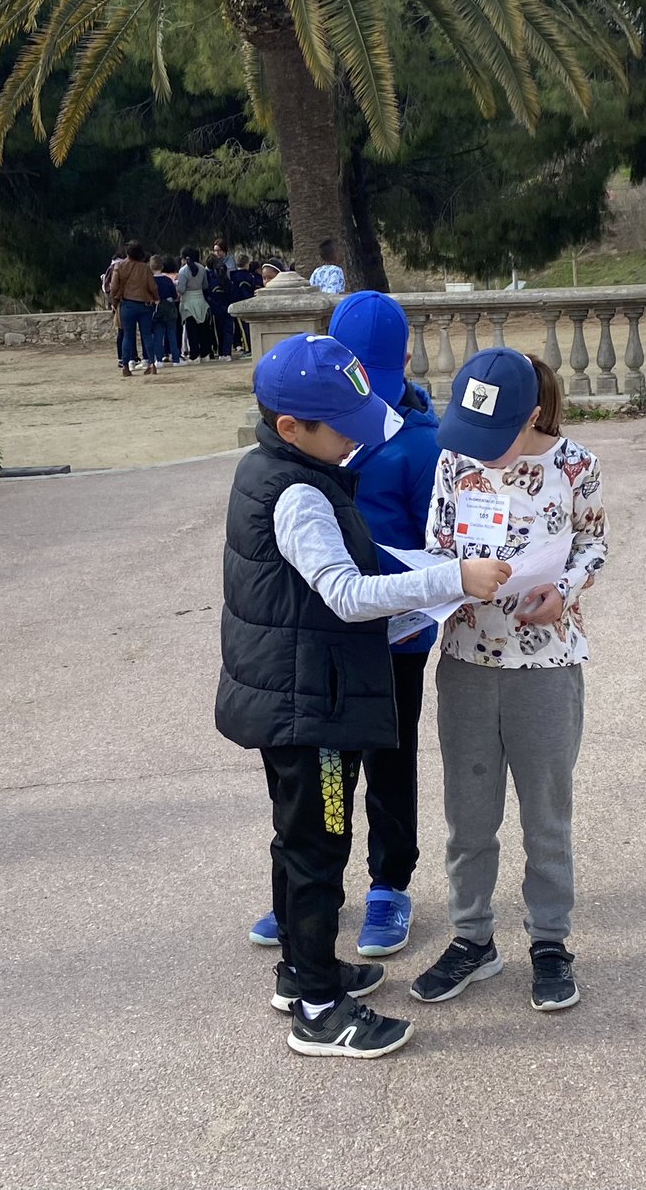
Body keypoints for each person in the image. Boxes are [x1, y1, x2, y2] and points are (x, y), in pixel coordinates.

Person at [215, 332, 511, 1058]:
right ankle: (318, 1010)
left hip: (299, 689)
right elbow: (345, 596)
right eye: (339, 427)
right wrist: (450, 579)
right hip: (309, 705)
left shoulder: (279, 468)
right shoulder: (297, 495)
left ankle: (300, 970)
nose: (354, 438)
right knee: (318, 847)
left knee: (299, 841)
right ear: (292, 428)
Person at [409, 348, 608, 1013]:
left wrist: (565, 587)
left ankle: (549, 942)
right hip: (466, 660)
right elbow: (438, 542)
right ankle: (471, 940)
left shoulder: (575, 465)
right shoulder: (452, 460)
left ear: (530, 416)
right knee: (467, 817)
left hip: (546, 665)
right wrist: (450, 581)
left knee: (545, 819)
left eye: (496, 440)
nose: (481, 454)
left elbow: (593, 544)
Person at [249, 292, 440, 958]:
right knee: (322, 776)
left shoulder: (420, 444)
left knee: (390, 762)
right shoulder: (294, 454)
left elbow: (439, 541)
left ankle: (389, 884)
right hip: (326, 640)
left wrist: (431, 584)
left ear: (407, 362)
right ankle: (308, 891)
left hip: (396, 635)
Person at [110, 241, 159, 378]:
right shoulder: (145, 268)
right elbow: (153, 287)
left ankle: (126, 366)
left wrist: (114, 302)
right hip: (144, 304)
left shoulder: (119, 266)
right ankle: (151, 364)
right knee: (147, 335)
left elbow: (113, 287)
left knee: (128, 336)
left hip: (127, 304)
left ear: (127, 252)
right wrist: (155, 298)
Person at [177, 247, 213, 363]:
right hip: (200, 300)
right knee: (203, 328)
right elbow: (205, 285)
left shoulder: (183, 271)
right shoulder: (202, 268)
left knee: (191, 330)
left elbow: (181, 289)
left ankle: (194, 355)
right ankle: (205, 353)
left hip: (188, 301)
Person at [149, 255, 182, 368]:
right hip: (169, 309)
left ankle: (159, 359)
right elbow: (174, 294)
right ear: (162, 266)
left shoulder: (151, 281)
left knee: (158, 335)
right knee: (172, 334)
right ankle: (176, 359)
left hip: (157, 309)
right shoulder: (167, 280)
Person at [206, 254, 235, 361]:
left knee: (218, 331)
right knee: (228, 331)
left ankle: (220, 352)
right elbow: (232, 294)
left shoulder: (210, 279)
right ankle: (227, 353)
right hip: (226, 307)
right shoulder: (227, 281)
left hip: (215, 308)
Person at [231, 253, 256, 355]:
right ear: (247, 264)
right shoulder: (250, 276)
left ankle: (248, 348)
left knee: (243, 328)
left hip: (239, 303)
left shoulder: (233, 276)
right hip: (250, 302)